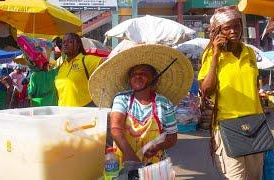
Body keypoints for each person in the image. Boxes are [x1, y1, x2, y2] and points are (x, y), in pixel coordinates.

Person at [88, 44, 194, 164]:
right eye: (134, 73)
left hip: (153, 164)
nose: (137, 76)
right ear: (129, 79)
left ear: (155, 78)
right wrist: (130, 156)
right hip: (124, 160)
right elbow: (116, 129)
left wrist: (158, 146)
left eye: (143, 73)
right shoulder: (122, 99)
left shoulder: (164, 103)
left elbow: (172, 137)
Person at [198, 6, 264, 179]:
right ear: (217, 31)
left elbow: (254, 86)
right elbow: (205, 90)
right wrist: (215, 57)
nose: (234, 30)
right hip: (227, 126)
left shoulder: (249, 52)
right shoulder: (212, 55)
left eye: (237, 25)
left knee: (255, 177)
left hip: (255, 124)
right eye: (227, 28)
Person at [25, 33, 103, 107]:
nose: (65, 44)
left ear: (78, 45)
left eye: (70, 41)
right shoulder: (61, 63)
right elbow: (46, 66)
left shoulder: (86, 60)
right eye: (64, 42)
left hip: (82, 113)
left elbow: (110, 62)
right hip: (62, 112)